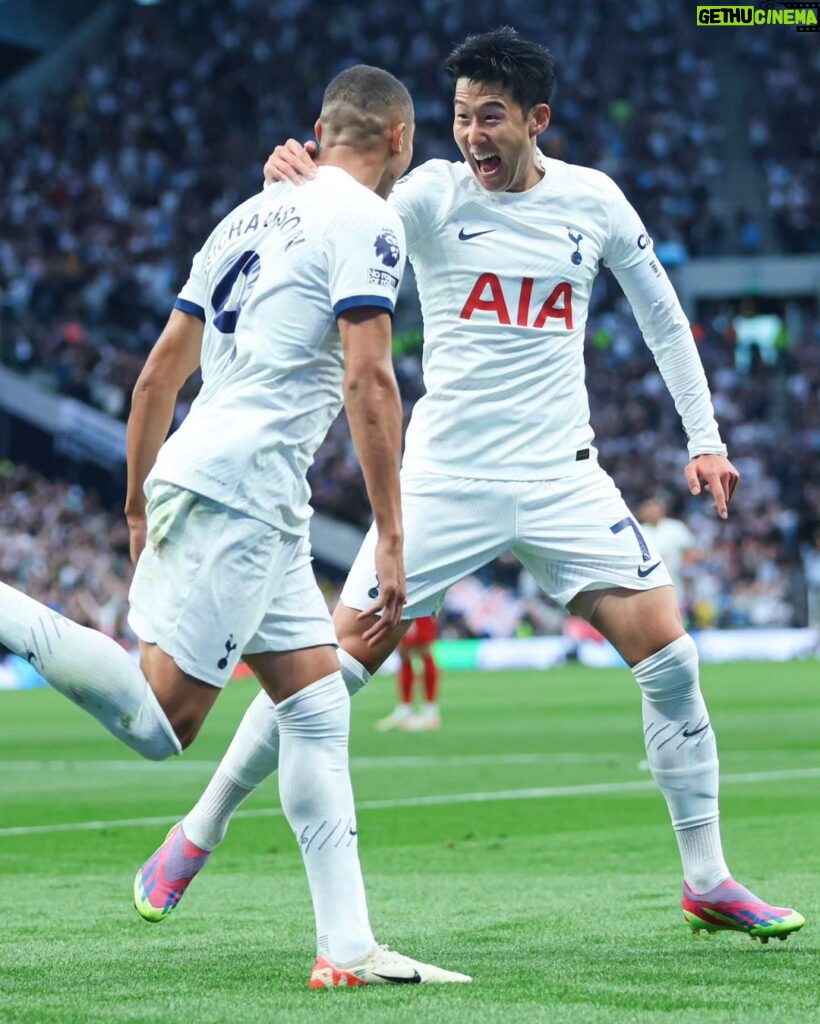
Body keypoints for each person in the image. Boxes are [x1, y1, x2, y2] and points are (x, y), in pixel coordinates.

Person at [134, 29, 804, 943]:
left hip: (563, 476)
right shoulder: (427, 195)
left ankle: (708, 879)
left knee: (673, 660)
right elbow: (341, 216)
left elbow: (664, 317)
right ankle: (196, 831)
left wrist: (706, 438)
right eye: (459, 119)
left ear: (538, 120)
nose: (473, 136)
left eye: (490, 117)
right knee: (322, 678)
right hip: (442, 480)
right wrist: (297, 176)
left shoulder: (595, 201)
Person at [0, 65, 470, 988]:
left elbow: (155, 379)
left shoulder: (245, 216)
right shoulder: (368, 221)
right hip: (244, 488)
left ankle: (346, 949)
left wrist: (137, 500)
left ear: (319, 128)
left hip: (234, 484)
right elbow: (370, 381)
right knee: (160, 722)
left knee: (316, 703)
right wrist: (393, 537)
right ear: (401, 140)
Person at [377, 615, 441, 731]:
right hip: (403, 607)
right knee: (403, 651)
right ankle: (405, 709)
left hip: (419, 603)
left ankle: (430, 713)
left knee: (424, 648)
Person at [638, 497, 698, 599]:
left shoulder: (675, 527)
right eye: (649, 508)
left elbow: (691, 552)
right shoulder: (640, 532)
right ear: (642, 512)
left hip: (675, 578)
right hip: (649, 582)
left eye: (655, 507)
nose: (653, 511)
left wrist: (687, 571)